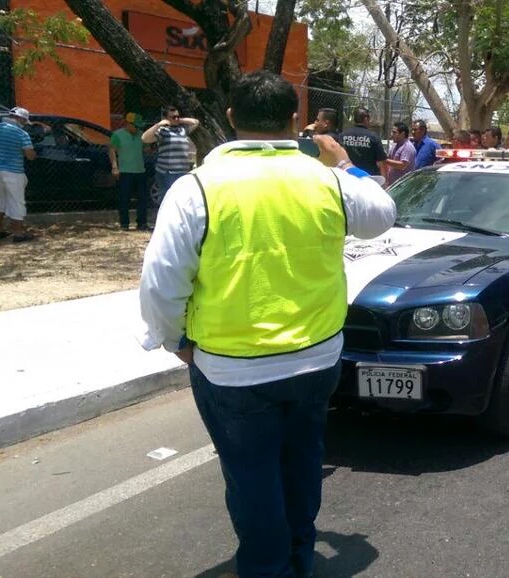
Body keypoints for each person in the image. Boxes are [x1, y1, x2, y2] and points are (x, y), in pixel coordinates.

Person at [138, 71, 396, 578]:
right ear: (295, 120)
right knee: (302, 463)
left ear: (231, 118)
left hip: (232, 369)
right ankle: (301, 555)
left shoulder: (197, 188)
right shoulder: (328, 180)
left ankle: (266, 567)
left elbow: (162, 282)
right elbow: (382, 214)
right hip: (318, 358)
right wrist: (344, 163)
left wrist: (174, 341)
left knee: (251, 475)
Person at [0, 107, 36, 242]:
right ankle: (18, 233)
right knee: (16, 202)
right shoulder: (21, 133)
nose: (25, 124)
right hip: (14, 172)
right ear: (22, 119)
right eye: (25, 121)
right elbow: (30, 155)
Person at [142, 106, 199, 204]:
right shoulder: (163, 131)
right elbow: (144, 138)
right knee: (170, 200)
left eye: (177, 116)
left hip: (182, 171)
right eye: (173, 117)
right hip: (167, 172)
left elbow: (196, 122)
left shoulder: (182, 130)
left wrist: (179, 120)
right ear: (166, 118)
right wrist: (158, 125)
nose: (176, 118)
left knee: (181, 200)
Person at [110, 112, 149, 231]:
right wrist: (114, 166)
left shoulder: (141, 135)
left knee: (142, 199)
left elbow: (146, 149)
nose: (137, 128)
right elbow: (112, 150)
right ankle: (124, 224)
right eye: (136, 126)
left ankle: (142, 223)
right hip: (125, 171)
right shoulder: (118, 135)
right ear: (129, 124)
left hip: (140, 171)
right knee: (124, 199)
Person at [340, 107, 386, 176]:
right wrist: (384, 180)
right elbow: (381, 161)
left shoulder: (343, 135)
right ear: (366, 119)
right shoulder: (373, 137)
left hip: (348, 176)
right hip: (369, 178)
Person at [384, 122, 416, 186]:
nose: (391, 135)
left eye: (394, 132)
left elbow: (402, 165)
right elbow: (389, 161)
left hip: (403, 186)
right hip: (393, 185)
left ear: (403, 134)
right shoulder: (395, 146)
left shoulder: (407, 147)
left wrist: (384, 160)